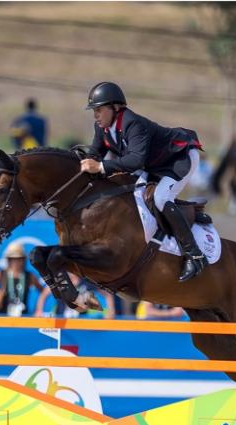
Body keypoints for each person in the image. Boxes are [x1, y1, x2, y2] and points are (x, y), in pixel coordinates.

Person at [79, 82, 206, 282]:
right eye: (94, 111)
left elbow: (135, 160)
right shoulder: (101, 127)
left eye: (99, 110)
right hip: (154, 165)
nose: (96, 115)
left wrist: (101, 167)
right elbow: (95, 154)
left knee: (161, 197)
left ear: (115, 107)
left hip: (179, 160)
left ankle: (194, 254)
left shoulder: (132, 123)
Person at [0, 242, 44, 316]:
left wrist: (38, 309)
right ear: (8, 260)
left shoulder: (29, 276)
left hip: (23, 318)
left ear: (24, 260)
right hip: (3, 317)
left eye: (19, 259)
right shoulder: (1, 274)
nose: (16, 262)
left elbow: (43, 292)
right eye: (12, 259)